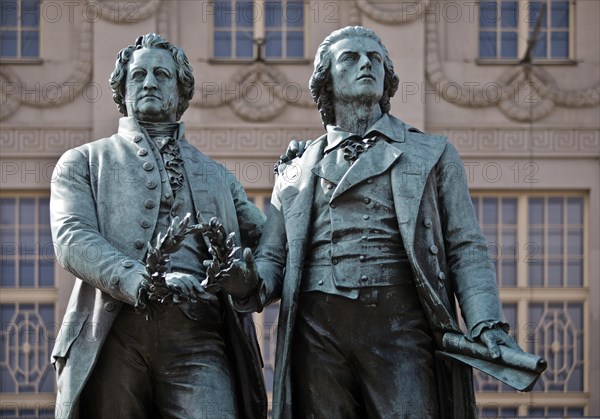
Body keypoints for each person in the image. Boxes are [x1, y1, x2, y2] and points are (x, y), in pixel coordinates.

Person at [218, 26, 521, 419]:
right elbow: (273, 258)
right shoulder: (294, 168)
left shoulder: (431, 152)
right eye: (352, 58)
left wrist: (485, 322)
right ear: (326, 80)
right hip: (317, 330)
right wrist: (246, 281)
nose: (366, 64)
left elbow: (466, 246)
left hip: (398, 326)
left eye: (375, 59)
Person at [50, 34, 267, 419]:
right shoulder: (82, 161)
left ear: (181, 91)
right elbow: (72, 237)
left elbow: (271, 245)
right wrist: (138, 278)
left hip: (200, 338)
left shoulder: (217, 176)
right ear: (123, 89)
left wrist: (246, 278)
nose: (149, 82)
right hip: (116, 333)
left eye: (162, 74)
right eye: (138, 75)